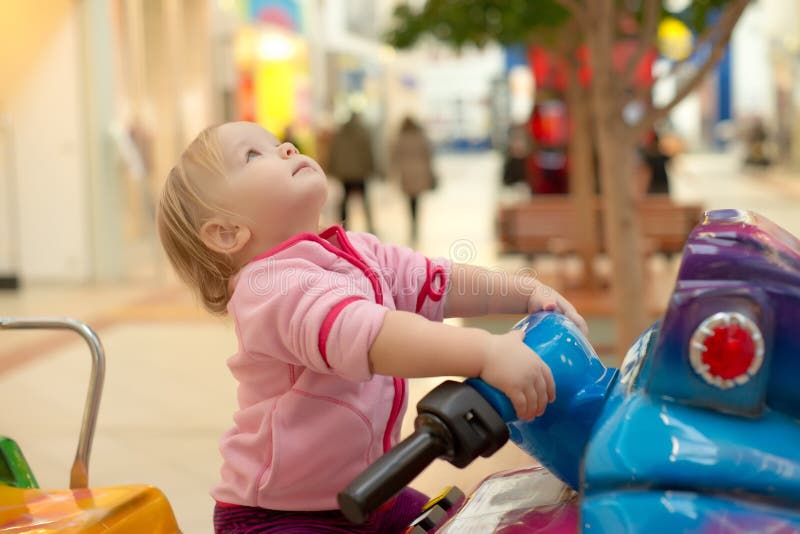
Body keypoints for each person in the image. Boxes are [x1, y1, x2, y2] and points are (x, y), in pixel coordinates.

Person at [156, 121, 589, 534]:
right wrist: (485, 352)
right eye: (253, 155)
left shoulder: (356, 252)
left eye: (277, 142)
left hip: (371, 495)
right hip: (280, 516)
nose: (286, 148)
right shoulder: (270, 288)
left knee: (473, 519)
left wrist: (524, 293)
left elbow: (435, 280)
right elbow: (366, 335)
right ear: (227, 233)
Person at [327, 112, 377, 232]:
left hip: (345, 173)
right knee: (364, 201)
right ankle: (370, 227)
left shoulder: (340, 133)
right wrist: (371, 168)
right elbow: (368, 152)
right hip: (360, 173)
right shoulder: (363, 132)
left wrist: (332, 169)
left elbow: (334, 152)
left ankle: (343, 227)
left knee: (345, 202)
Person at [390, 117, 436, 243]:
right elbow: (428, 155)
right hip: (420, 172)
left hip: (407, 174)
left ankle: (412, 225)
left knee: (410, 201)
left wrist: (393, 174)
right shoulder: (421, 137)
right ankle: (415, 226)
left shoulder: (400, 138)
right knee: (417, 201)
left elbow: (394, 157)